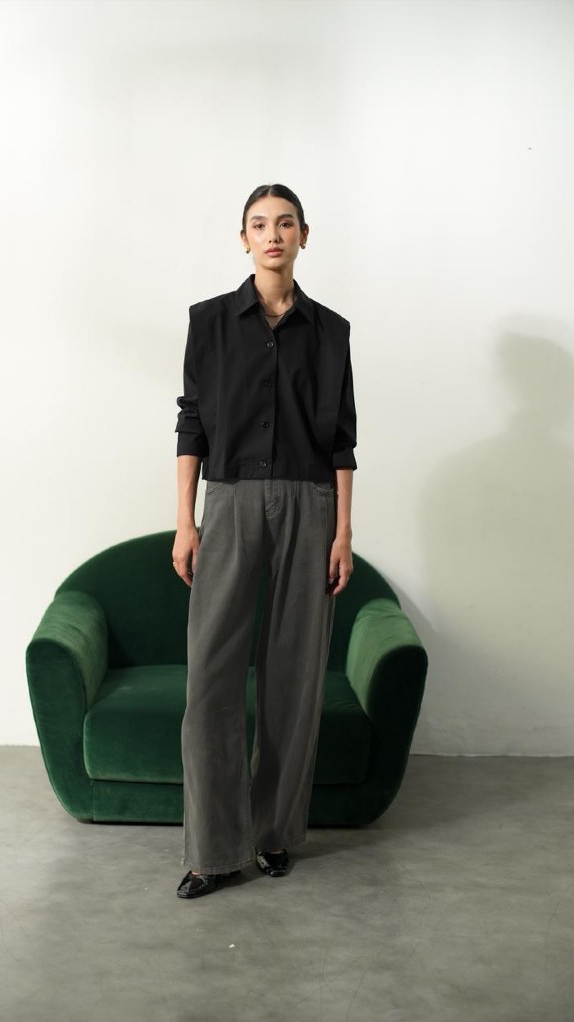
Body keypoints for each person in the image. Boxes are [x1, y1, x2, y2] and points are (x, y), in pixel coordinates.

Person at [172, 183, 357, 899]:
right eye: (259, 224)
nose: (272, 234)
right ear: (243, 238)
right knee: (211, 675)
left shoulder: (332, 330)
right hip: (229, 500)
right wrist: (187, 520)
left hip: (311, 505)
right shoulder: (210, 322)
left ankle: (273, 832)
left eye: (285, 223)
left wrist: (342, 532)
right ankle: (213, 851)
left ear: (304, 235)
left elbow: (342, 441)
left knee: (294, 675)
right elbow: (192, 423)